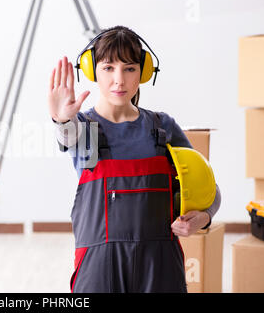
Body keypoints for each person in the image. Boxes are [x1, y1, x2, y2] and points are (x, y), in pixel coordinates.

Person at [47, 25, 221, 293]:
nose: (119, 80)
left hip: (159, 267)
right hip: (100, 270)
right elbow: (68, 137)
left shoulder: (162, 128)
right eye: (108, 68)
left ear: (143, 72)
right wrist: (61, 119)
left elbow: (210, 192)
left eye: (129, 68)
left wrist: (203, 218)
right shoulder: (86, 128)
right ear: (93, 71)